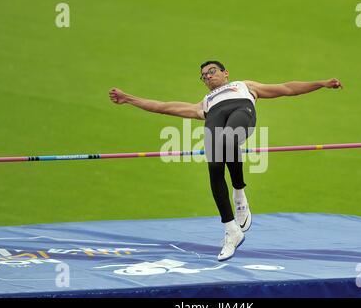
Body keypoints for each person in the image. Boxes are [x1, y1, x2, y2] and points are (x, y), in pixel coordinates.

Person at [109, 60, 343, 261]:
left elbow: (287, 88)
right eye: (203, 76)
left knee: (229, 137)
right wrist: (128, 98)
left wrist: (320, 83)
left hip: (241, 114)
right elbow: (163, 107)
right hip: (215, 119)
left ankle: (239, 193)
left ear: (225, 73)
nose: (208, 77)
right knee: (214, 167)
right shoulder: (204, 104)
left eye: (211, 71)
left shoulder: (245, 86)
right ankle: (231, 230)